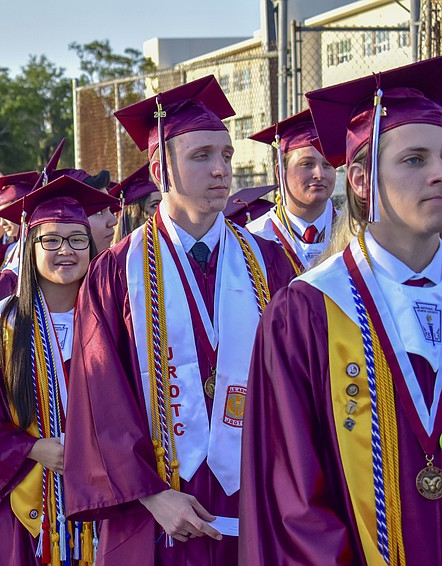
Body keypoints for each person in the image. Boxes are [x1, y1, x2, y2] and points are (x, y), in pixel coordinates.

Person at [62, 75, 294, 565]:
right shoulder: (115, 271)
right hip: (154, 508)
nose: (220, 170)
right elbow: (99, 397)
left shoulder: (270, 263)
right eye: (201, 156)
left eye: (226, 156)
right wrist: (151, 495)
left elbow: (295, 389)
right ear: (159, 167)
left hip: (252, 494)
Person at [240, 57, 442, 566]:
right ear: (358, 178)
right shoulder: (308, 311)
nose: (439, 174)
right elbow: (293, 501)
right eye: (415, 159)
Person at [0, 176, 117, 565]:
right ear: (30, 247)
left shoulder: (114, 317)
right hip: (23, 499)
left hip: (105, 492)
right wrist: (32, 448)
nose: (66, 251)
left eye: (77, 240)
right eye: (51, 240)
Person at [247, 109, 342, 273]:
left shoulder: (355, 234)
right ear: (280, 172)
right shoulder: (255, 238)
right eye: (307, 164)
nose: (319, 174)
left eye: (327, 165)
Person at [110, 163, 161, 244]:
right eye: (155, 205)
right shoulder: (116, 255)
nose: (161, 209)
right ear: (135, 213)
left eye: (162, 203)